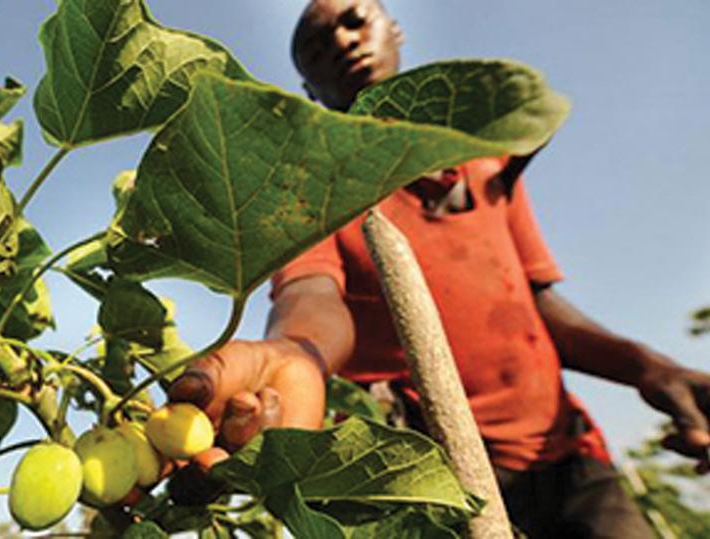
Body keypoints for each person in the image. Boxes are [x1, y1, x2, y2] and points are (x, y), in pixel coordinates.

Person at [168, 0, 710, 536]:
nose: (342, 41)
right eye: (315, 46)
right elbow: (311, 295)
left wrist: (651, 368)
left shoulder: (487, 165)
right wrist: (297, 354)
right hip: (447, 482)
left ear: (395, 31)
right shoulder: (310, 193)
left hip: (567, 451)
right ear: (310, 90)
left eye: (356, 20)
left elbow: (537, 308)